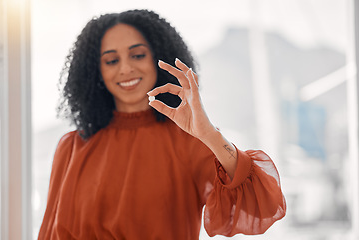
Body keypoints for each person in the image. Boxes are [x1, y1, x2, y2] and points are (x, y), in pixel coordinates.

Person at [38, 9, 286, 240]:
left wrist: (209, 134)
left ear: (159, 57)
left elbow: (261, 205)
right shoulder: (71, 145)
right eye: (111, 60)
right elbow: (50, 232)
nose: (125, 68)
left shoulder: (189, 140)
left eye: (137, 55)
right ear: (96, 72)